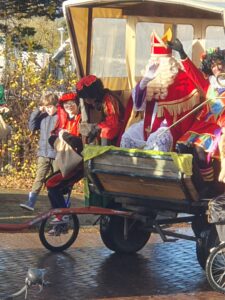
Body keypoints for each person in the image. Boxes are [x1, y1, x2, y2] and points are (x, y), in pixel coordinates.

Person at [120, 29, 200, 152]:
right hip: (148, 122)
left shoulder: (180, 77)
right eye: (153, 60)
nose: (155, 64)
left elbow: (192, 94)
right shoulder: (149, 76)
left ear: (167, 63)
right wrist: (145, 81)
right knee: (127, 137)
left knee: (158, 141)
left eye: (158, 61)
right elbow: (138, 106)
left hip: (167, 125)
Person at [167, 39, 225, 196]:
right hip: (202, 124)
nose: (217, 68)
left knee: (200, 149)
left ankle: (209, 186)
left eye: (219, 63)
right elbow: (193, 73)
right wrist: (182, 52)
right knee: (181, 146)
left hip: (219, 126)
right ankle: (194, 183)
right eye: (213, 65)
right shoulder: (210, 84)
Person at [47, 92, 83, 223]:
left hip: (78, 163)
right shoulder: (63, 121)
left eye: (71, 103)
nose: (69, 106)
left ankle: (63, 215)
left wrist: (65, 137)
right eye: (66, 104)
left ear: (77, 104)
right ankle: (59, 218)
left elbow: (80, 143)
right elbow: (51, 139)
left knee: (51, 183)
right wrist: (58, 138)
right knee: (53, 186)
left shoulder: (81, 119)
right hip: (66, 161)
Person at [20, 93, 59, 211]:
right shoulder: (43, 117)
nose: (49, 109)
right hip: (43, 153)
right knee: (39, 177)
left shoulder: (60, 117)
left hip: (57, 154)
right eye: (47, 107)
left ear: (56, 105)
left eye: (51, 106)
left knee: (56, 181)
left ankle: (58, 207)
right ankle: (31, 202)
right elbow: (31, 126)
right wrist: (38, 110)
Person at [76, 75, 124, 146]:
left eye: (87, 98)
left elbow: (113, 122)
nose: (86, 100)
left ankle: (104, 152)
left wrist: (97, 127)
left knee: (105, 131)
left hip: (118, 125)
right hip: (107, 124)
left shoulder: (109, 100)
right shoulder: (99, 100)